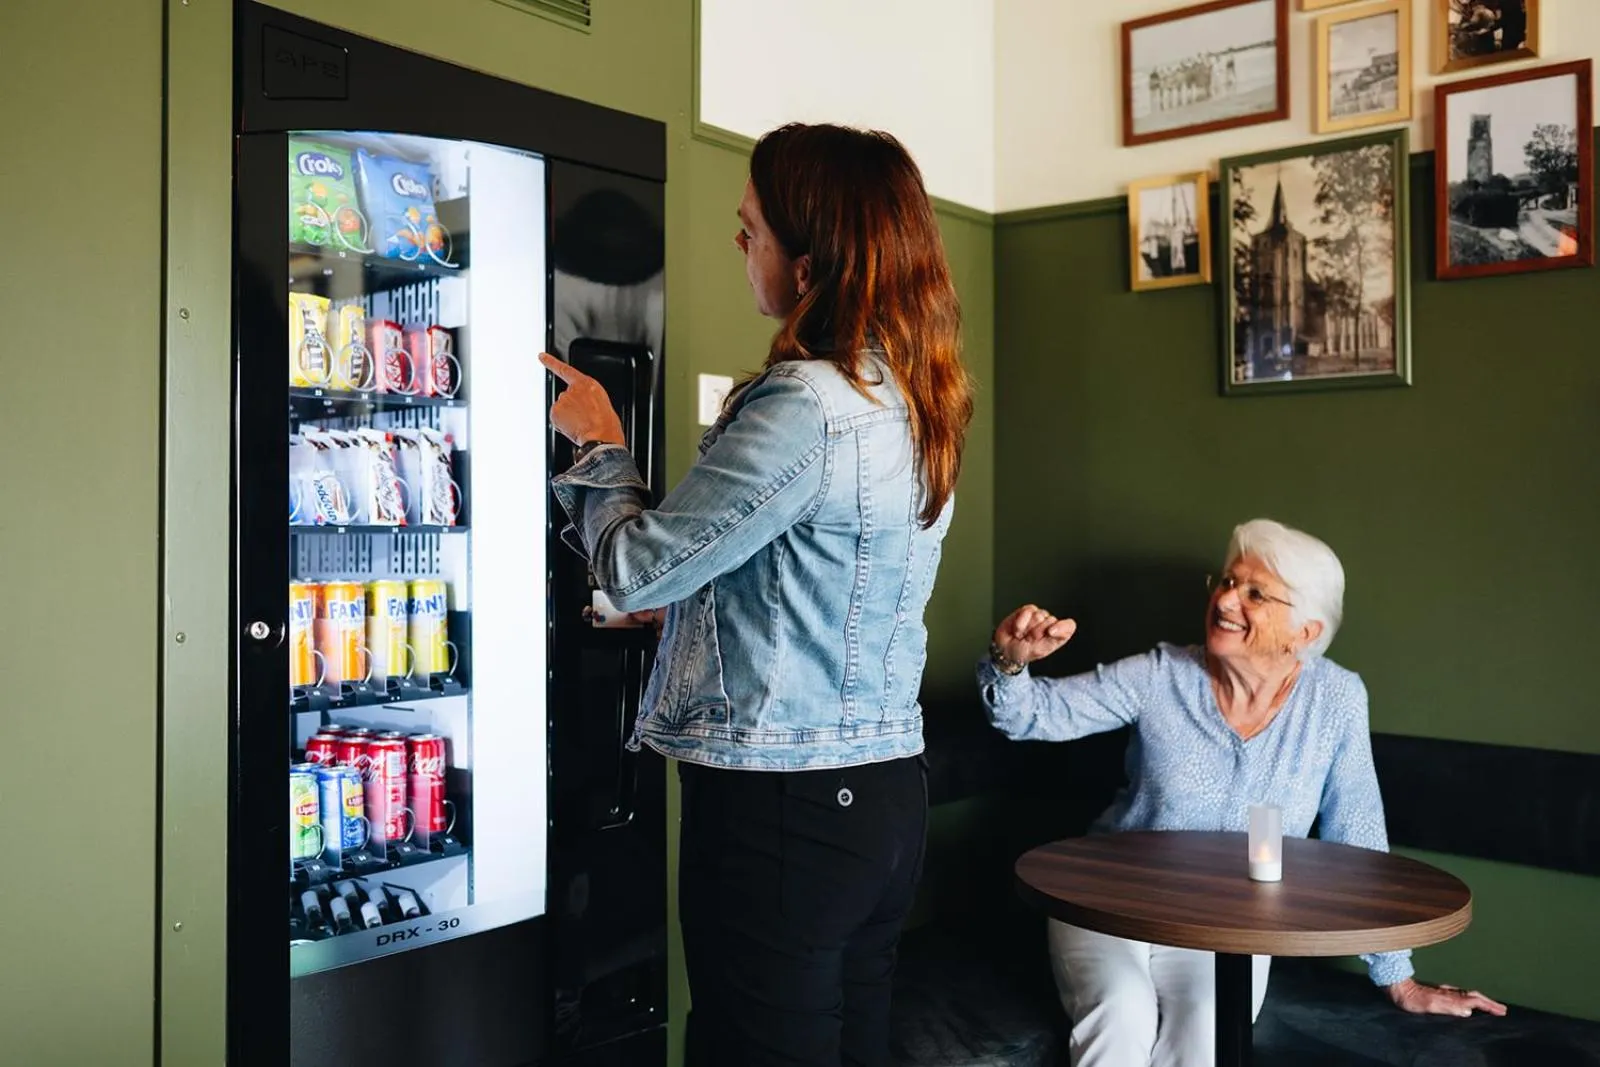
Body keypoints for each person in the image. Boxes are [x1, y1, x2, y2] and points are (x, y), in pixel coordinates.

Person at [541, 122, 973, 1067]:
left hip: (785, 812)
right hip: (887, 796)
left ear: (809, 263)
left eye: (750, 232)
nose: (742, 250)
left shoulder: (805, 405)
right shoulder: (917, 398)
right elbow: (809, 580)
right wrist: (697, 609)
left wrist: (599, 442)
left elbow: (632, 568)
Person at [978, 519, 1506, 1067]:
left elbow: (1357, 828)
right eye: (1227, 581)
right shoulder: (1161, 674)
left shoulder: (1337, 698)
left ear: (1304, 632)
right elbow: (1030, 716)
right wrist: (1009, 661)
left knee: (1209, 1034)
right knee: (1120, 1013)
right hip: (1112, 907)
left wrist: (1398, 977)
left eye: (1255, 593)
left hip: (1231, 932)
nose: (1227, 599)